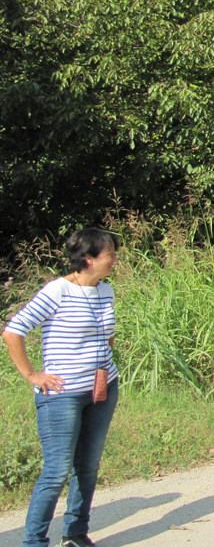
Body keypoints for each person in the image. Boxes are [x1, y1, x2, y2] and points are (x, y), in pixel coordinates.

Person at [3, 228, 121, 547]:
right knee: (56, 472)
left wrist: (104, 361)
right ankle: (34, 542)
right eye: (109, 253)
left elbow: (106, 334)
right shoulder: (57, 291)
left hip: (102, 388)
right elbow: (14, 331)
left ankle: (76, 532)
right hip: (62, 396)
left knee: (88, 465)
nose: (115, 259)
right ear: (88, 258)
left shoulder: (106, 291)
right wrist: (32, 375)